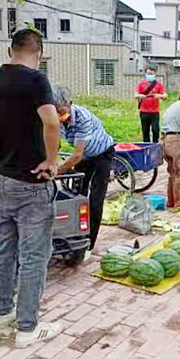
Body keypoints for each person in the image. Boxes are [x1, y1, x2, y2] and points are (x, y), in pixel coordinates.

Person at [0, 29, 62, 347]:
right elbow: (52, 121)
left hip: (2, 180)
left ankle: (2, 311)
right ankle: (28, 328)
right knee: (33, 256)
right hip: (32, 182)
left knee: (4, 248)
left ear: (10, 50)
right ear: (39, 52)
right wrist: (52, 160)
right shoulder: (36, 80)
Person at [52, 86, 115, 258]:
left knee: (95, 199)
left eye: (62, 111)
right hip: (85, 157)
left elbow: (77, 154)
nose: (59, 115)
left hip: (102, 155)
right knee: (76, 196)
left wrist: (58, 170)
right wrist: (50, 161)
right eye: (55, 111)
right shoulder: (53, 117)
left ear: (70, 104)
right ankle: (73, 234)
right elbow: (54, 144)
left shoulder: (82, 118)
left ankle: (89, 244)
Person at [136, 66, 167, 143]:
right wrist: (140, 96)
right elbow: (135, 95)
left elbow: (165, 96)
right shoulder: (141, 84)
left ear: (155, 74)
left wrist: (159, 96)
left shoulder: (158, 84)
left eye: (151, 73)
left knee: (155, 130)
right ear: (145, 74)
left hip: (154, 112)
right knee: (145, 131)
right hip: (144, 111)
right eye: (148, 73)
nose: (150, 75)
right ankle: (146, 146)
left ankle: (155, 144)